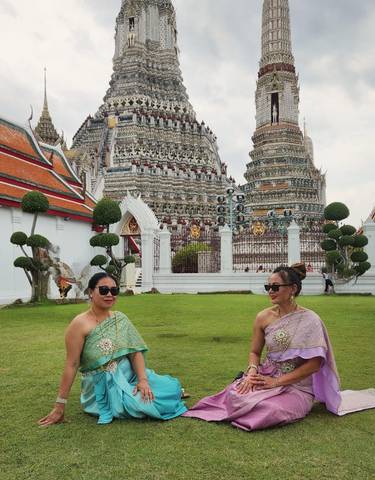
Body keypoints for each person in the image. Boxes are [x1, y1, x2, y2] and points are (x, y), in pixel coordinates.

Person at [183, 263, 375, 431]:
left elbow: (315, 364)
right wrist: (251, 373)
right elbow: (254, 352)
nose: (270, 291)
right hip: (265, 375)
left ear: (292, 289)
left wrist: (276, 382)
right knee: (235, 395)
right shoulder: (263, 317)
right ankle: (247, 404)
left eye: (275, 287)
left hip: (297, 386)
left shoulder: (311, 320)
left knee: (271, 409)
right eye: (268, 287)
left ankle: (256, 412)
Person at [38, 272, 187, 426]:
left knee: (170, 388)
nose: (109, 294)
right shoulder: (79, 324)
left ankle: (165, 390)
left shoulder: (120, 318)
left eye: (114, 291)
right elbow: (72, 364)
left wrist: (143, 381)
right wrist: (59, 405)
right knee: (146, 404)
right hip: (101, 386)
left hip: (130, 376)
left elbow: (134, 352)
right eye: (103, 290)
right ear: (90, 292)